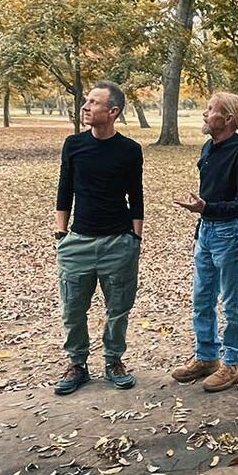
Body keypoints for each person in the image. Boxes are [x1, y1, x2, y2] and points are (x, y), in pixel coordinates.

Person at [53, 80, 144, 396]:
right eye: (86, 102)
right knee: (73, 309)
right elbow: (64, 190)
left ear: (113, 111)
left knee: (118, 308)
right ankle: (77, 364)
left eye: (93, 102)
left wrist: (135, 240)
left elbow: (137, 195)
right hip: (77, 242)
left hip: (118, 243)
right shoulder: (73, 145)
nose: (86, 107)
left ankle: (113, 360)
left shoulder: (130, 150)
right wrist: (61, 235)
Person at [171, 92, 238, 392]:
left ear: (228, 119)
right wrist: (203, 214)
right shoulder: (209, 147)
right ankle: (207, 357)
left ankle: (234, 364)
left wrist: (207, 208)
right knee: (202, 299)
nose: (205, 114)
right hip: (206, 231)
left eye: (211, 110)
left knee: (232, 302)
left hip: (229, 233)